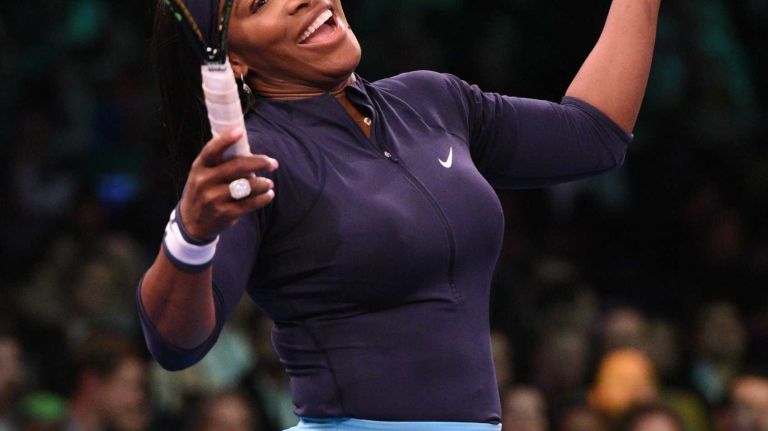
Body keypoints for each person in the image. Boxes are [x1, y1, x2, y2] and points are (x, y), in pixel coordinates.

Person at [137, 0, 661, 429]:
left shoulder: (432, 100)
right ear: (234, 63)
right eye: (262, 3)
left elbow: (593, 137)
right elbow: (175, 344)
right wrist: (191, 235)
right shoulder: (255, 163)